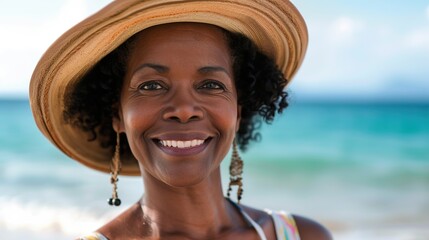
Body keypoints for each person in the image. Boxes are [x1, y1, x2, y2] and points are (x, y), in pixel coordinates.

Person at [30, 0, 332, 239]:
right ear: (116, 114)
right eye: (151, 85)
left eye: (211, 85)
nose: (184, 109)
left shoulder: (303, 236)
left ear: (239, 111)